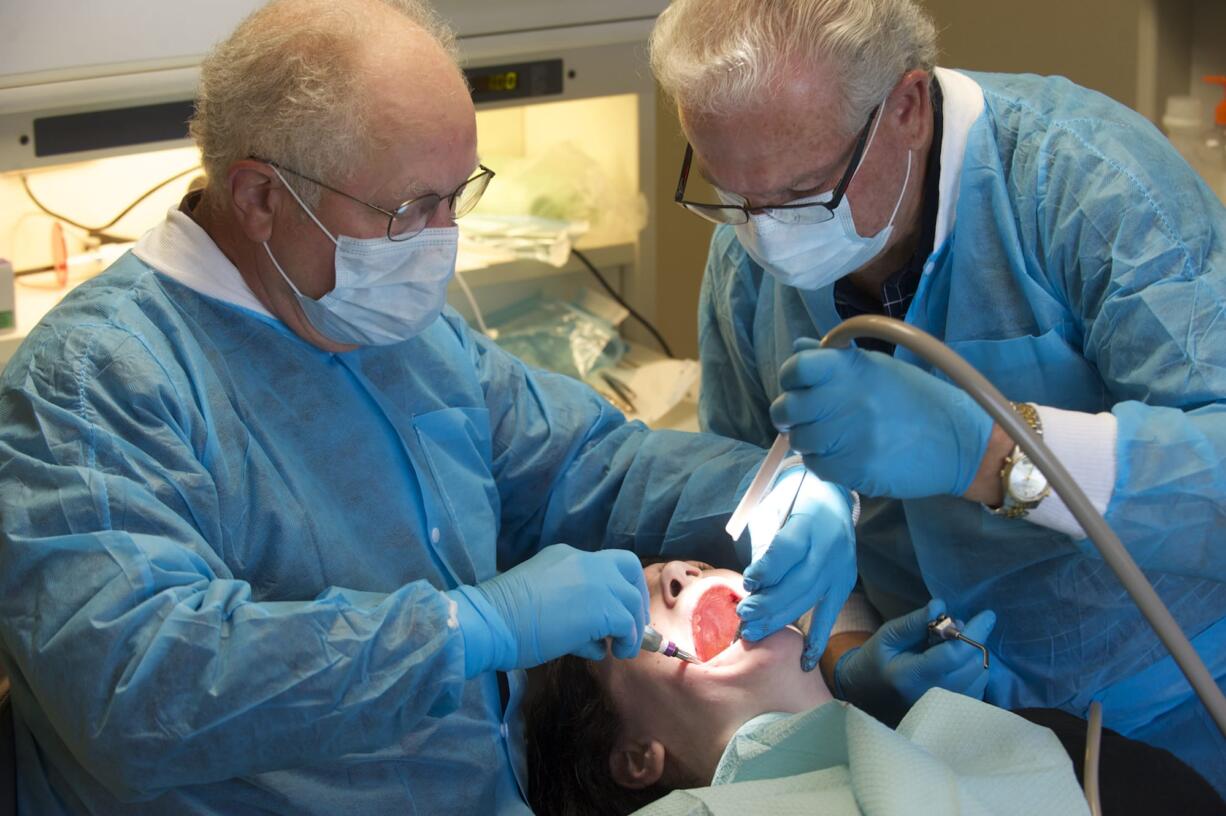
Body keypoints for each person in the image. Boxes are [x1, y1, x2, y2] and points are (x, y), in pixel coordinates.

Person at [0, 1, 858, 813]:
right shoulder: (95, 385)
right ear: (260, 198)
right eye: (411, 209)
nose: (444, 239)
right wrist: (466, 630)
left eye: (457, 195)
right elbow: (138, 692)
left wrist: (783, 491)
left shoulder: (392, 329)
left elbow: (590, 467)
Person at [648, 0, 1226, 792]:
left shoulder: (1088, 190)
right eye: (730, 193)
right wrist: (849, 652)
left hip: (1164, 707)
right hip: (932, 742)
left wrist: (990, 455)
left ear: (908, 108)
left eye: (805, 193)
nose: (766, 233)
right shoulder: (749, 259)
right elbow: (751, 486)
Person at [523, 560, 1225, 816]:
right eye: (620, 621)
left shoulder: (1052, 746)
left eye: (689, 564)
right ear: (635, 757)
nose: (676, 573)